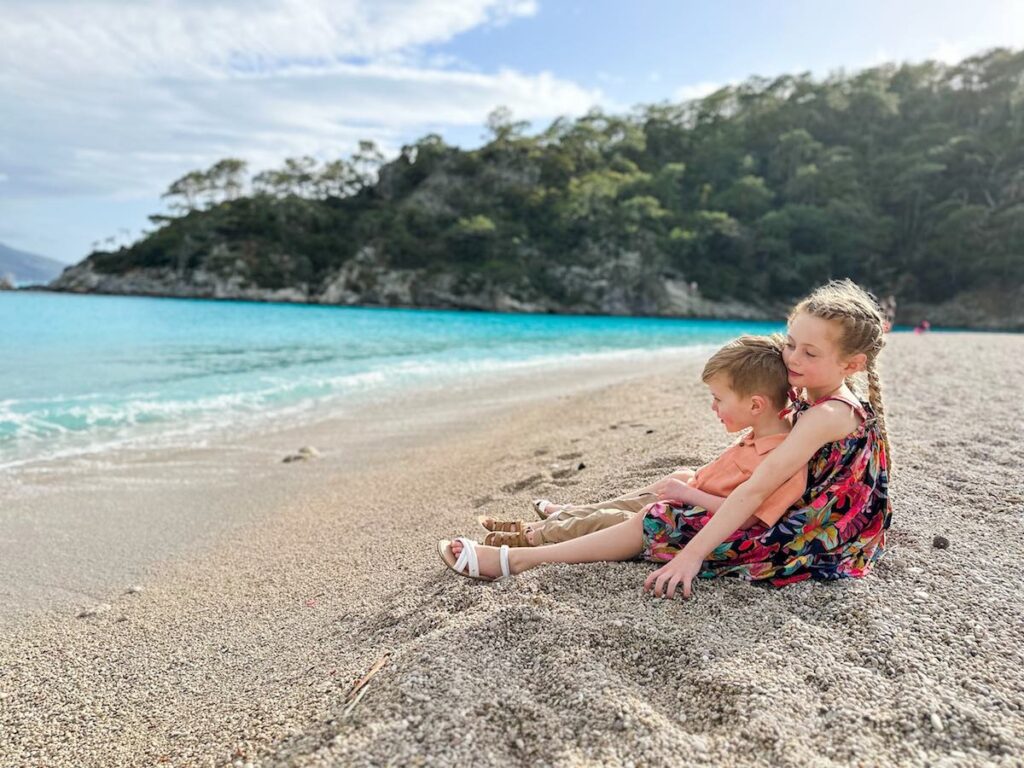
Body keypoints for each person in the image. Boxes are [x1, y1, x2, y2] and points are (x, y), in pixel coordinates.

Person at [438, 278, 892, 598]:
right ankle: (568, 521)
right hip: (787, 511)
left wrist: (692, 556)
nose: (790, 356)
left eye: (808, 352)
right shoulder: (813, 390)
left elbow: (758, 489)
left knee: (661, 518)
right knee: (679, 486)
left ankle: (517, 561)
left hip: (806, 537)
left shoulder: (828, 414)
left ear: (850, 364)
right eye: (791, 342)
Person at [477, 335, 806, 548]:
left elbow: (747, 515)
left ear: (755, 405)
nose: (713, 407)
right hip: (694, 503)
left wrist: (688, 494)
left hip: (704, 525)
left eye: (719, 399)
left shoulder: (781, 459)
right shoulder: (761, 434)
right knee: (677, 476)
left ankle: (532, 536)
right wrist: (686, 487)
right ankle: (568, 514)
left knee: (626, 517)